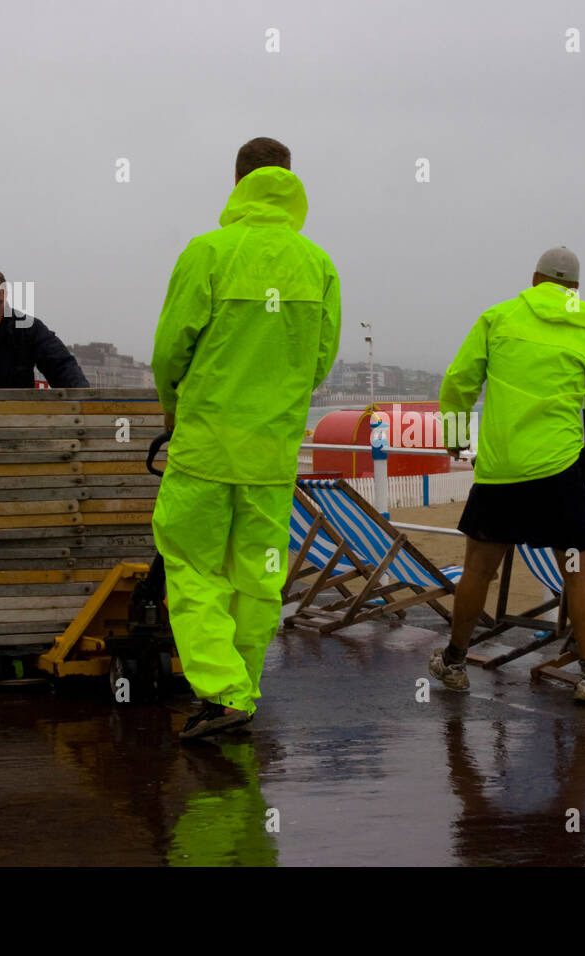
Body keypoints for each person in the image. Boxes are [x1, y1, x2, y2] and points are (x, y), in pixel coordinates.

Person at [151, 137, 340, 739]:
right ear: (290, 181)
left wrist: (172, 410)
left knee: (191, 567)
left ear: (237, 181)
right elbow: (320, 359)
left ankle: (223, 687)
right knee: (258, 575)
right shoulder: (317, 264)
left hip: (206, 445)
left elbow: (168, 352)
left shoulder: (208, 252)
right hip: (272, 453)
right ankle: (242, 688)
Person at [428, 246, 585, 703]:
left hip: (502, 470)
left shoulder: (498, 319)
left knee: (479, 568)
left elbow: (459, 381)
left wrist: (456, 437)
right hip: (560, 471)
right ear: (575, 290)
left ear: (535, 279)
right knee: (578, 570)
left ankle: (455, 663)